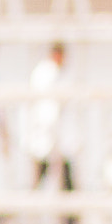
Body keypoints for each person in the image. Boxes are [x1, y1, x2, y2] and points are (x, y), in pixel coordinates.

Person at [24, 42, 74, 193]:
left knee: (43, 179)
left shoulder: (45, 72)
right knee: (59, 178)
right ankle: (69, 214)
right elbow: (47, 109)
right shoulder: (49, 74)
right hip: (47, 136)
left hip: (47, 137)